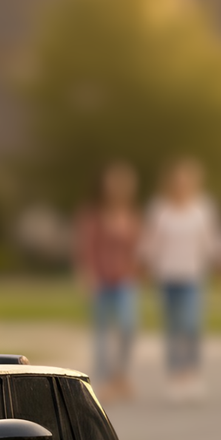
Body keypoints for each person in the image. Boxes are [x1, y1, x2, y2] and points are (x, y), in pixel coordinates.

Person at [141, 158, 221, 401]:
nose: (182, 184)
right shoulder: (160, 209)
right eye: (177, 180)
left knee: (191, 327)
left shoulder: (203, 208)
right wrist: (145, 265)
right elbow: (151, 242)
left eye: (186, 180)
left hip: (193, 276)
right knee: (172, 329)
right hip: (167, 276)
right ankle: (175, 376)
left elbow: (211, 239)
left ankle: (191, 374)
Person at [75, 162, 142, 400]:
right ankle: (104, 380)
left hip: (125, 281)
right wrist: (87, 275)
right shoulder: (93, 215)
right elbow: (86, 248)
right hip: (101, 281)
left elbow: (137, 249)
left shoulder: (132, 216)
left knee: (127, 327)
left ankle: (121, 376)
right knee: (102, 334)